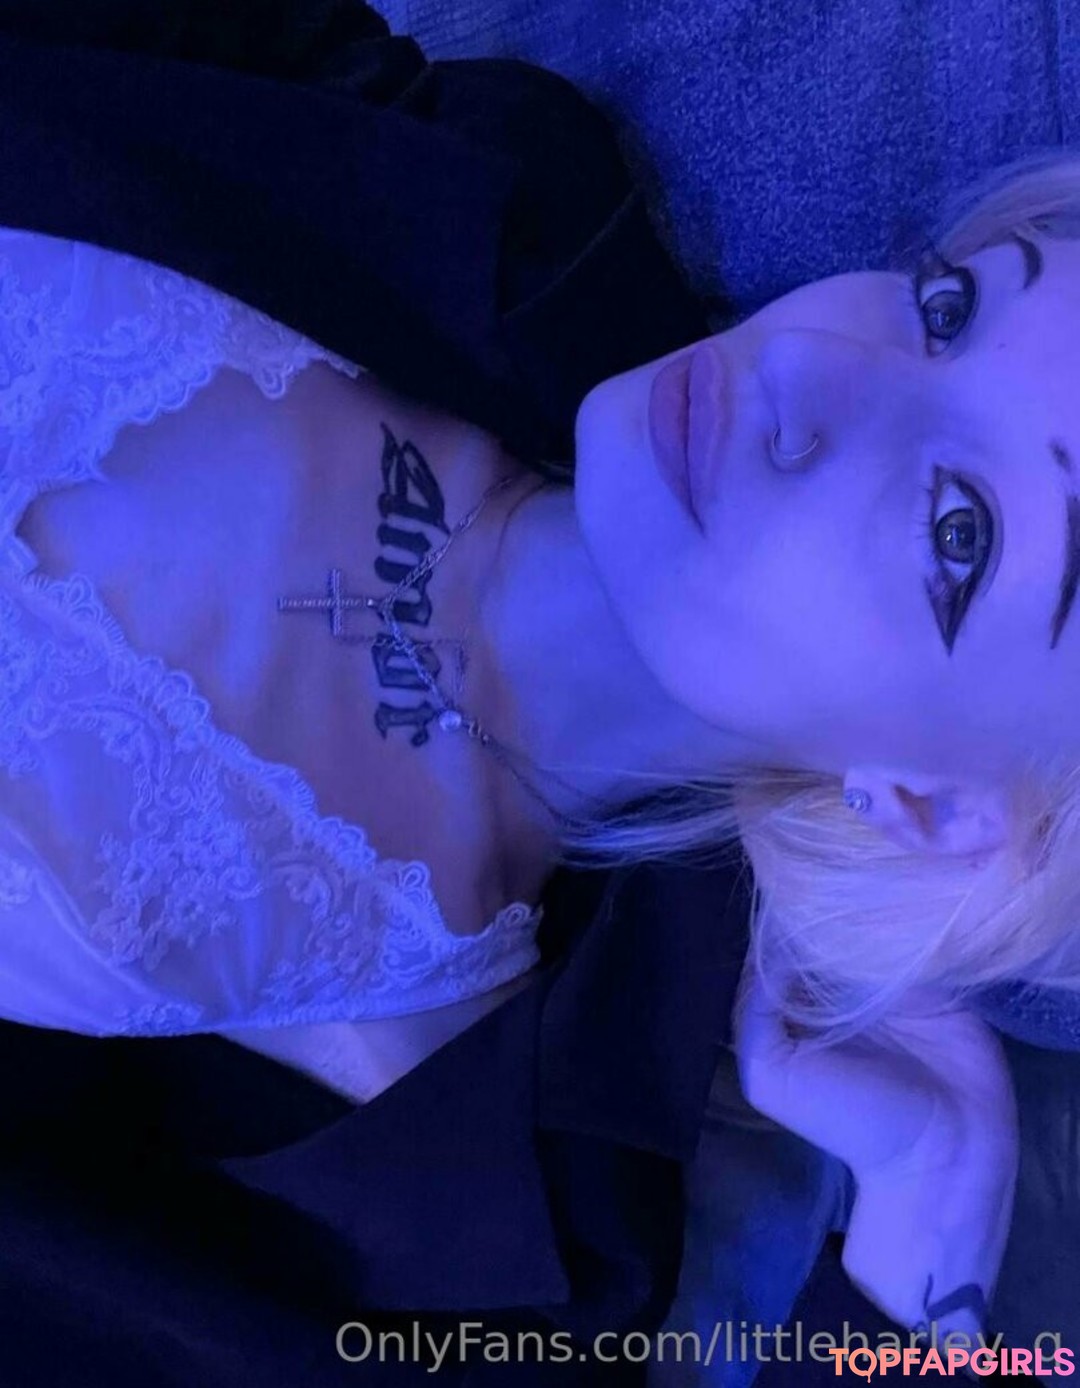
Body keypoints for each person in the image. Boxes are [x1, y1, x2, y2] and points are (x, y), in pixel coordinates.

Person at [0, 1, 1064, 1382]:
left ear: (931, 803)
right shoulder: (491, 180)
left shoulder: (497, 1168)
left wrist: (938, 1232)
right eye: (946, 309)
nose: (816, 360)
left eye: (960, 529)